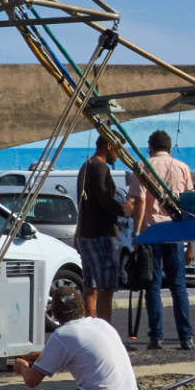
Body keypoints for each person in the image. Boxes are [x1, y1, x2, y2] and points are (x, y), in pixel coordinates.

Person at [7, 290, 138, 390]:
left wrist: (21, 366)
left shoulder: (62, 335)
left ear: (54, 313)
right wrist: (39, 355)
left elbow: (32, 380)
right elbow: (76, 349)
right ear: (82, 306)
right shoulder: (101, 324)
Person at [125, 129, 195, 350]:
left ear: (150, 146)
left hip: (151, 232)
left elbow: (140, 203)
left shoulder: (143, 166)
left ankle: (156, 337)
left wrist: (136, 234)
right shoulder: (182, 167)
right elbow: (189, 203)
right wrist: (191, 243)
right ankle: (186, 337)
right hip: (174, 231)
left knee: (153, 286)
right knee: (178, 286)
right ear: (169, 146)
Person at [75, 133, 124, 319]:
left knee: (90, 286)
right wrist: (125, 209)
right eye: (118, 149)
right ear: (109, 145)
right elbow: (105, 201)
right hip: (102, 236)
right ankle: (105, 331)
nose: (119, 155)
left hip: (86, 235)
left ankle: (91, 325)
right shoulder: (100, 167)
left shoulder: (86, 165)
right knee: (105, 289)